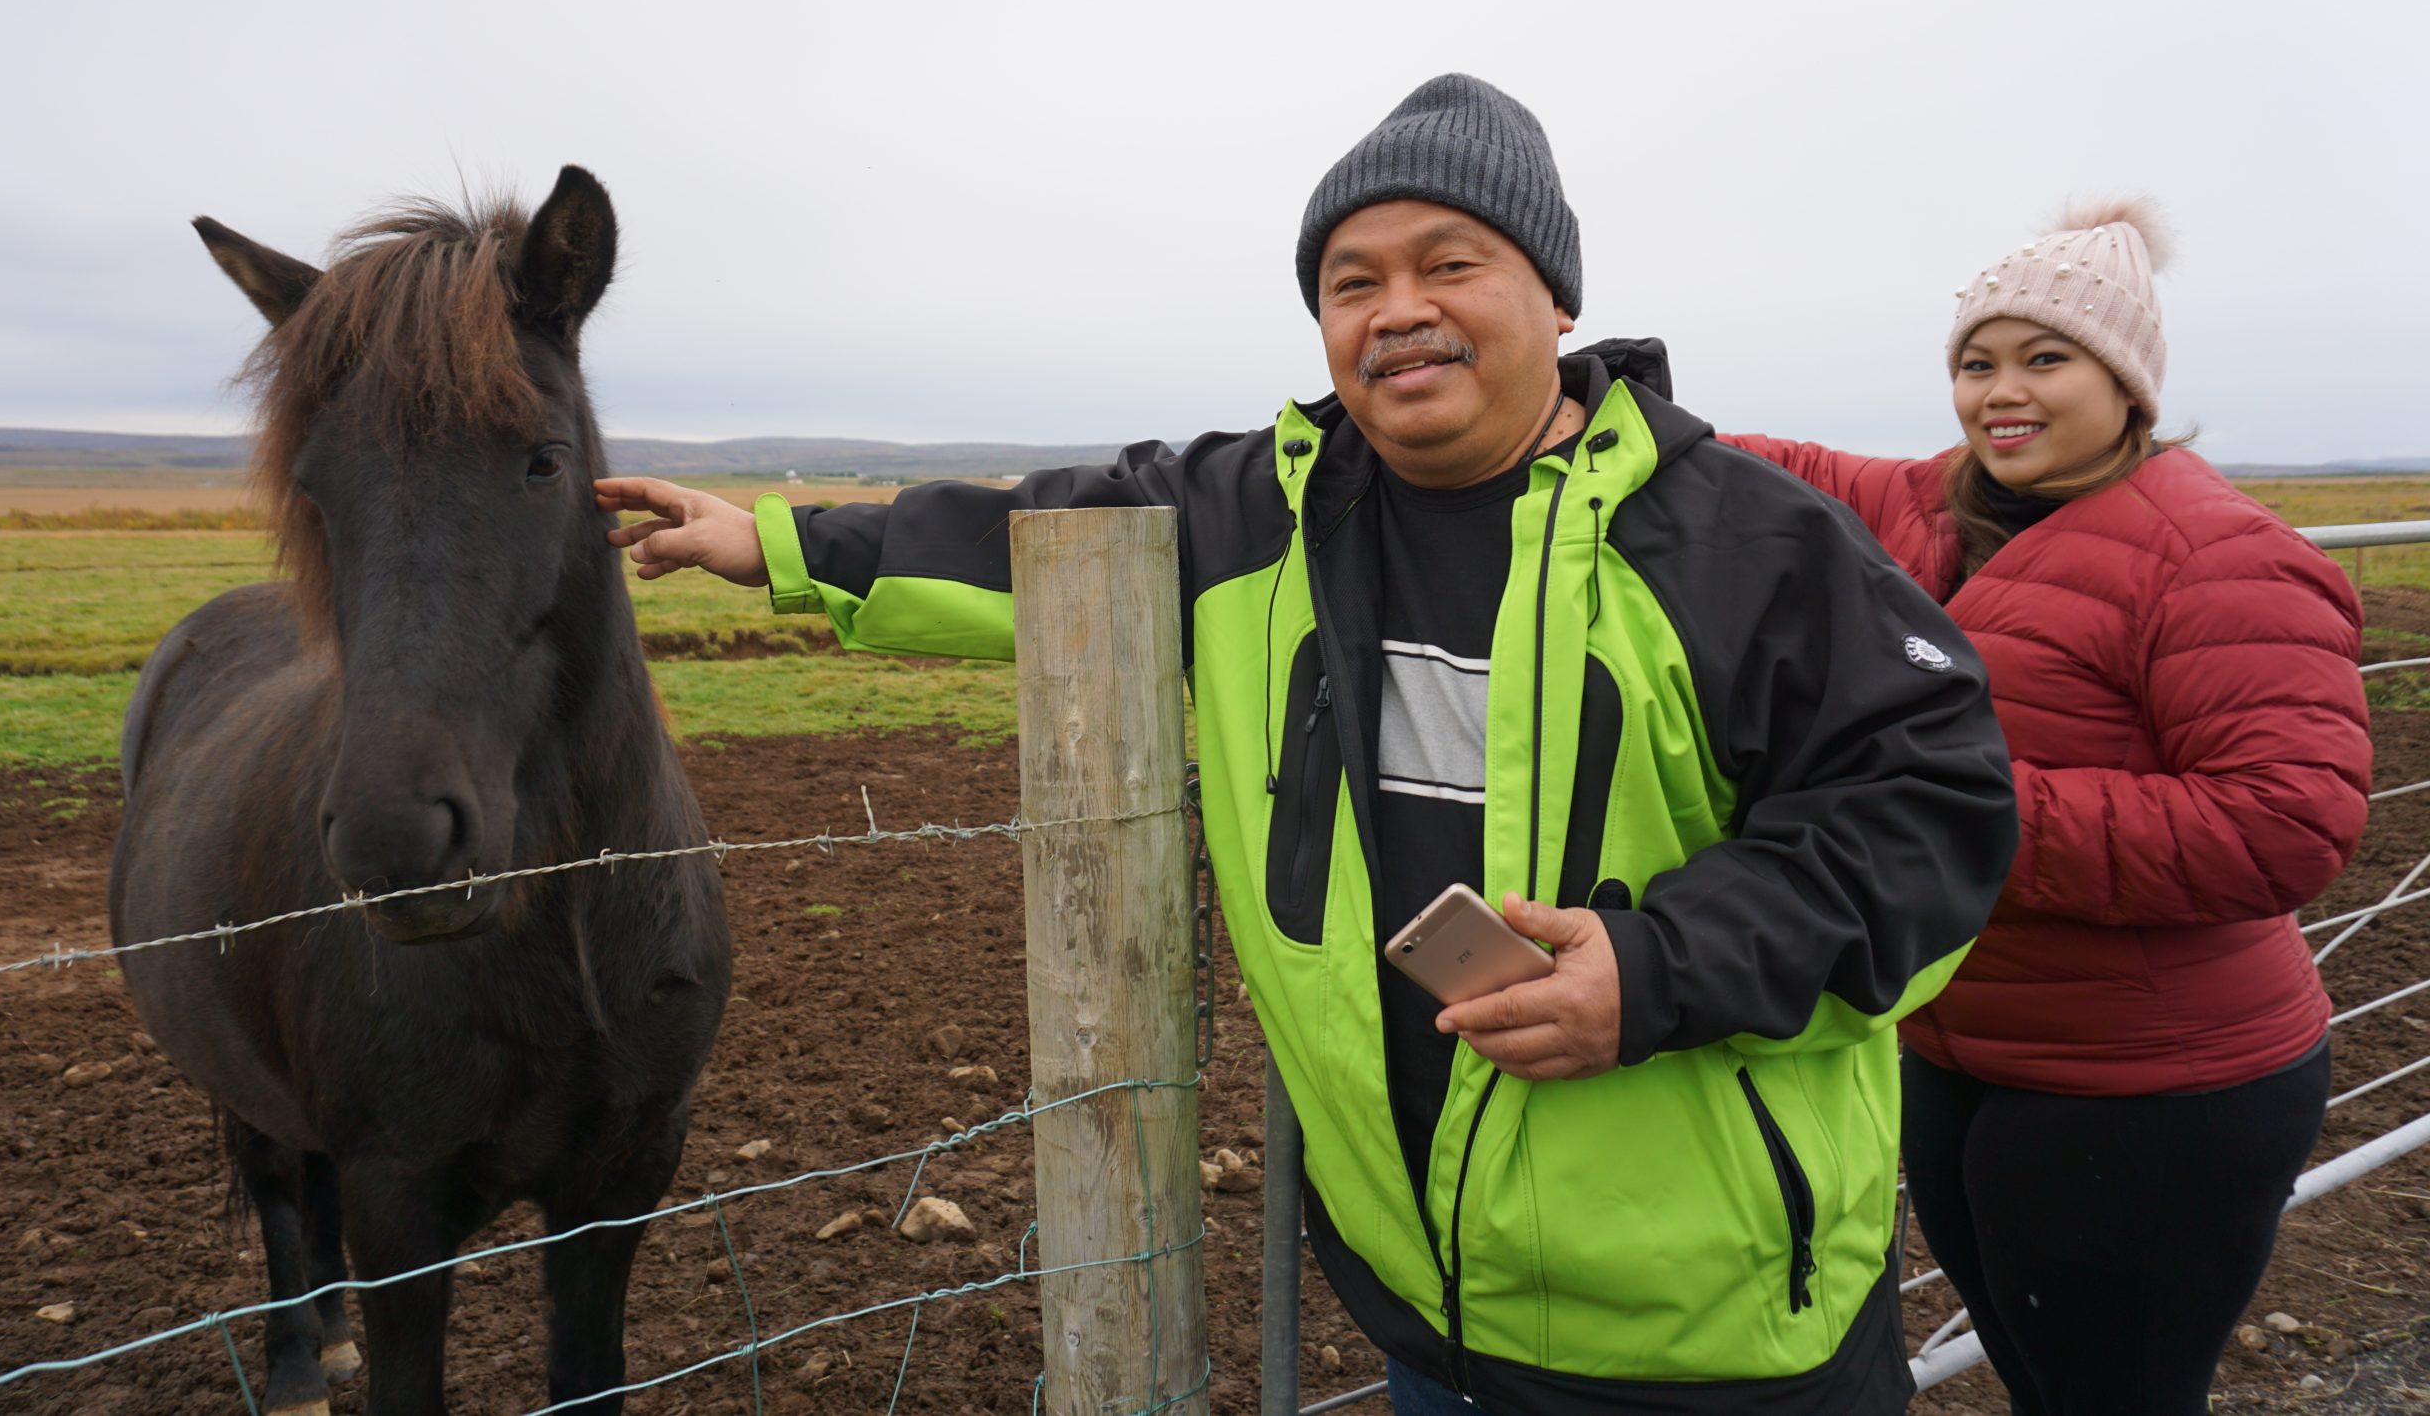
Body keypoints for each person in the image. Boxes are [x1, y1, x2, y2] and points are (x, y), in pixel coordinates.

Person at [600, 75, 2020, 1414]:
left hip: (1713, 1335)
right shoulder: (1260, 517)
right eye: (1354, 280)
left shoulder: (1744, 546)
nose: (1398, 308)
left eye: (1449, 262)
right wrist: (768, 538)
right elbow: (1029, 537)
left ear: (1556, 291)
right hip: (1422, 1306)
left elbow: (1933, 818)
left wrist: (1654, 967)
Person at [1725, 200, 2373, 1413]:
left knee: (2112, 1395)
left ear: (2127, 381)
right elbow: (1792, 472)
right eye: (1976, 363)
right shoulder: (1938, 505)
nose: (1998, 393)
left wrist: (1955, 811)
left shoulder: (2219, 557)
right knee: (2037, 1378)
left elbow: (2285, 822)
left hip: (2156, 1089)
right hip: (1961, 1049)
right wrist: (1606, 411)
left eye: (2044, 358)